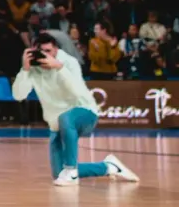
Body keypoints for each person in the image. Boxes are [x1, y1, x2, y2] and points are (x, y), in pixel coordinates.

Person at [13, 32, 139, 187]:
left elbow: (77, 92)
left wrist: (59, 68)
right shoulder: (33, 67)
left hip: (84, 112)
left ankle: (72, 171)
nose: (46, 56)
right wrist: (24, 70)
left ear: (56, 50)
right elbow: (18, 95)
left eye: (49, 51)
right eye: (42, 52)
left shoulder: (69, 62)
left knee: (66, 118)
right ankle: (108, 167)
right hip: (57, 124)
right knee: (58, 173)